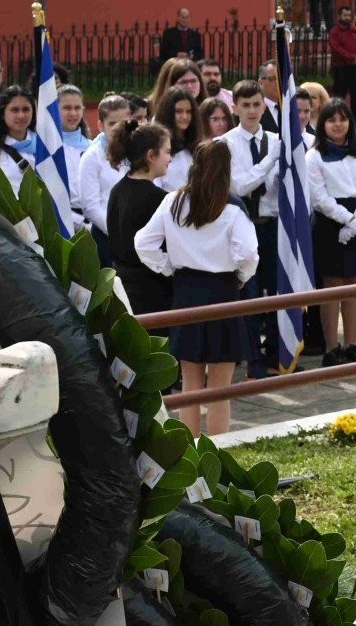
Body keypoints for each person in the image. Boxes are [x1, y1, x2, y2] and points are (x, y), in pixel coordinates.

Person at [134, 139, 257, 437]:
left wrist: (170, 268)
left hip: (186, 290)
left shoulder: (173, 201)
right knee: (219, 389)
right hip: (223, 292)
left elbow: (143, 243)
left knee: (190, 385)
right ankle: (217, 453)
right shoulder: (232, 207)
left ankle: (189, 453)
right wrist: (242, 275)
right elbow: (250, 254)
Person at [305, 98, 356, 366]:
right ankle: (331, 347)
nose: (338, 125)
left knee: (353, 287)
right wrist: (347, 219)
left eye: (343, 119)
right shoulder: (314, 156)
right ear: (322, 123)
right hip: (330, 223)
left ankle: (351, 344)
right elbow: (319, 197)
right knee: (332, 288)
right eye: (331, 119)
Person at [222, 80, 286, 376]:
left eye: (256, 104)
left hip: (272, 225)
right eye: (245, 105)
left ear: (264, 106)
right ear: (235, 107)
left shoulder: (276, 139)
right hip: (243, 226)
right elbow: (240, 185)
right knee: (248, 293)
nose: (251, 111)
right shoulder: (225, 144)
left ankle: (275, 352)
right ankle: (253, 358)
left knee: (275, 292)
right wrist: (270, 162)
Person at [107, 124, 174, 316]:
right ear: (151, 155)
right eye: (167, 152)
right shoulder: (158, 198)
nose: (170, 158)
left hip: (123, 288)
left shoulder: (117, 190)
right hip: (152, 293)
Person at [78, 97, 135, 265]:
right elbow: (91, 206)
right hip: (107, 236)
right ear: (100, 126)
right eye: (112, 123)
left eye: (123, 122)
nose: (118, 129)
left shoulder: (137, 150)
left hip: (137, 235)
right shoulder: (91, 157)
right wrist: (119, 232)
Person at [0, 87, 38, 194]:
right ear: (2, 113)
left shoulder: (45, 147)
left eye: (26, 109)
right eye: (14, 110)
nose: (21, 115)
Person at [154, 88, 199, 190]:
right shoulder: (156, 147)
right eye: (178, 111)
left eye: (188, 112)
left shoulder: (197, 145)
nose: (184, 116)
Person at [328, 5, 356, 112]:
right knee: (340, 95)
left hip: (354, 66)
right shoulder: (334, 31)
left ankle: (355, 117)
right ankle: (339, 114)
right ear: (339, 16)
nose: (347, 18)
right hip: (340, 67)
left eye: (349, 15)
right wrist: (351, 57)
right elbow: (336, 48)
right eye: (345, 15)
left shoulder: (354, 30)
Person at [55, 83, 91, 156]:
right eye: (67, 108)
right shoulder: (44, 147)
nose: (73, 113)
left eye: (77, 108)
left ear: (82, 110)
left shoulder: (91, 148)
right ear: (54, 110)